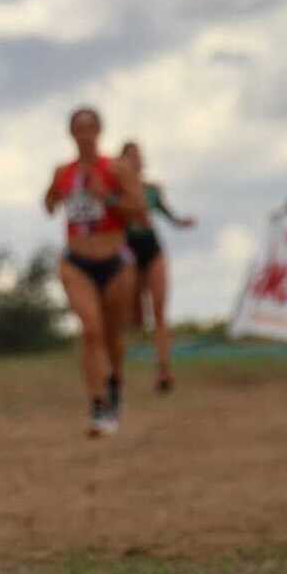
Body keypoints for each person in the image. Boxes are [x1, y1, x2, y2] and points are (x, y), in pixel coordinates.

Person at [44, 109, 143, 437]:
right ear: (71, 133)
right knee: (90, 330)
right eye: (78, 129)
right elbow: (49, 205)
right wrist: (54, 195)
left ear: (100, 130)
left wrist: (108, 197)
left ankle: (115, 385)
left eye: (90, 128)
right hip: (77, 261)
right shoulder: (63, 171)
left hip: (115, 259)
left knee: (113, 336)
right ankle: (98, 404)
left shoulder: (116, 168)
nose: (84, 135)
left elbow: (138, 210)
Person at [119, 141, 196, 393]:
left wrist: (181, 222)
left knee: (160, 311)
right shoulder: (116, 191)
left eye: (138, 157)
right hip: (128, 252)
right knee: (134, 317)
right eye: (131, 157)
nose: (136, 161)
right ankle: (114, 368)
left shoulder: (152, 190)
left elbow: (165, 213)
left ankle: (164, 371)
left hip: (152, 248)